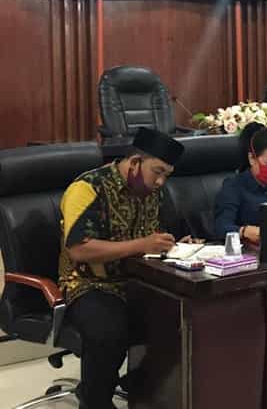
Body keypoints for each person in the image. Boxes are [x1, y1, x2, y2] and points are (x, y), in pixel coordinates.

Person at [58, 127, 187, 409]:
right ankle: (95, 400)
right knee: (109, 332)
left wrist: (175, 244)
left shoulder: (152, 191)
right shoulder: (88, 187)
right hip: (89, 284)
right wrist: (142, 244)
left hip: (139, 281)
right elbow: (79, 249)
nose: (161, 181)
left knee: (184, 321)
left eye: (167, 175)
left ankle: (139, 389)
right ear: (135, 162)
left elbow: (156, 237)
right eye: (157, 172)